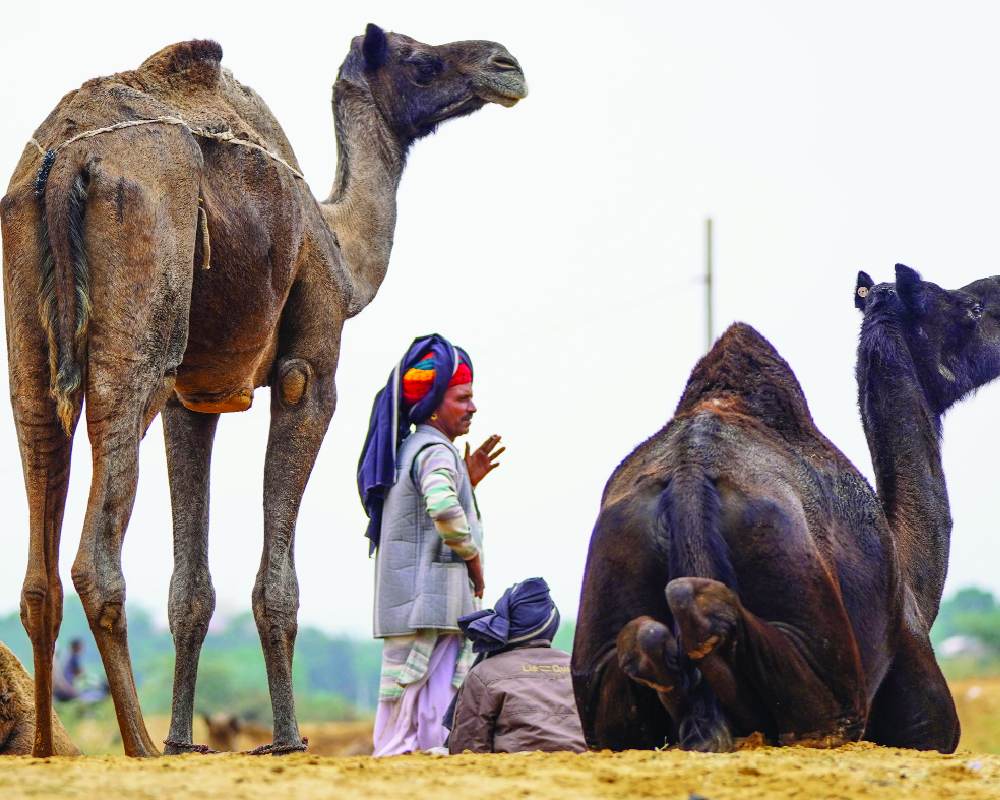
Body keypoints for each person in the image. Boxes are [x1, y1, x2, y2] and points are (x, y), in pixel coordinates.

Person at [358, 333, 505, 756]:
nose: (472, 407)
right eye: (463, 398)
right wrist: (472, 558)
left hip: (418, 604)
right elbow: (441, 506)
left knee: (406, 709)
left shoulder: (414, 448)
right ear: (434, 406)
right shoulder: (436, 452)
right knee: (429, 712)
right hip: (430, 603)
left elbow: (434, 504)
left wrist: (467, 481)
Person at [447, 577, 586, 754]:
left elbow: (467, 749)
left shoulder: (483, 673)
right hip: (585, 765)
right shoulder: (577, 668)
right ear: (551, 626)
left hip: (517, 768)